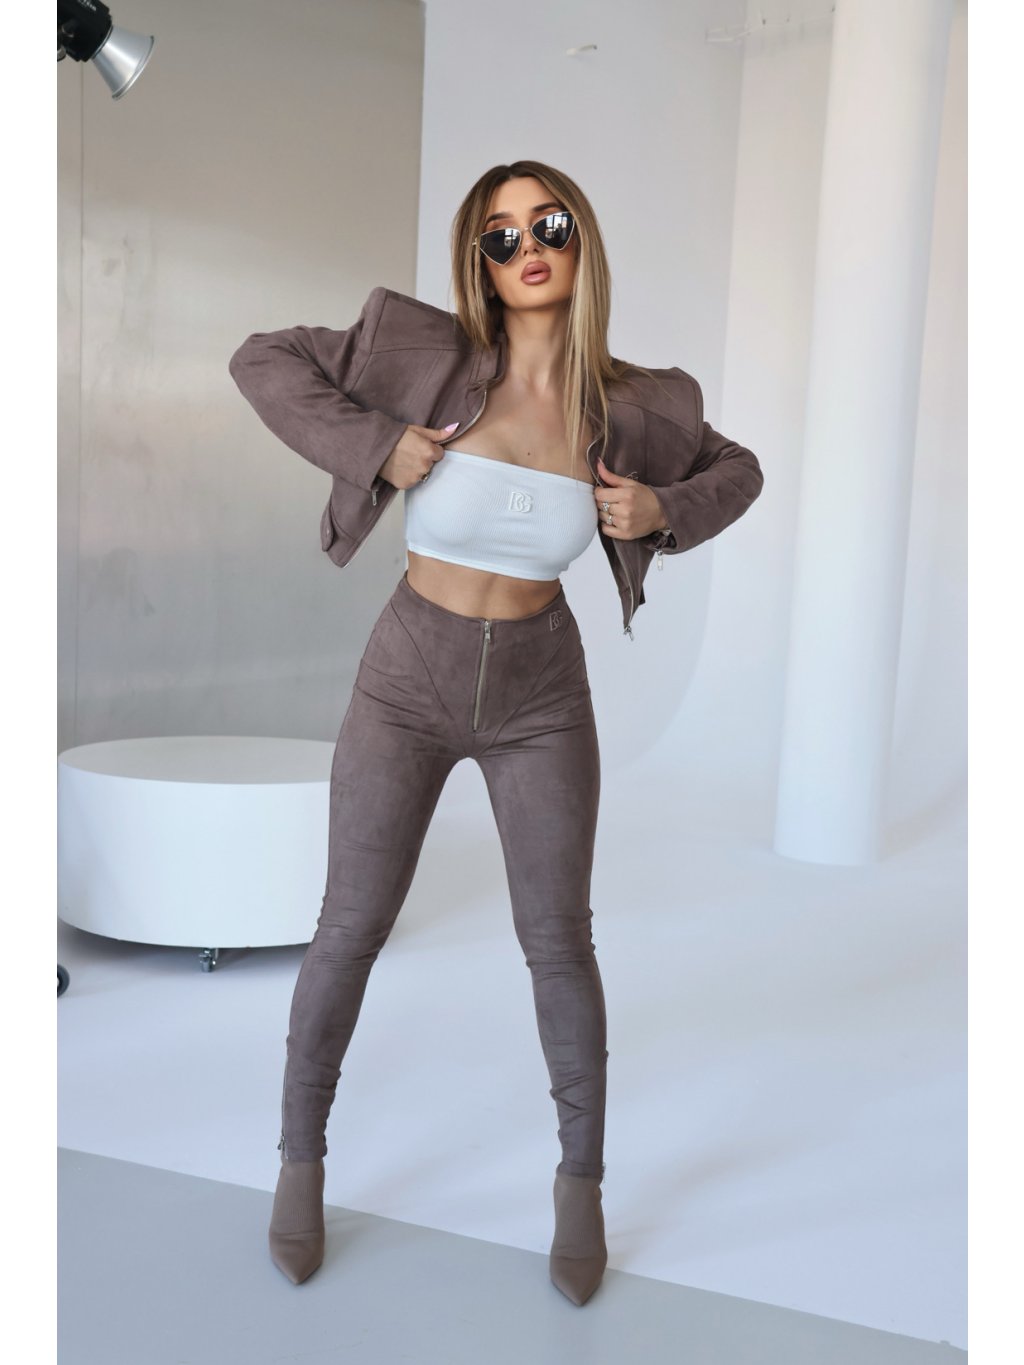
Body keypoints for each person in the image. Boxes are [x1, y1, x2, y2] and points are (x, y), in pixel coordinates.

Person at [228, 159, 763, 1307]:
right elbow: (261, 358)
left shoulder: (638, 405)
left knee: (558, 942)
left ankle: (580, 1189)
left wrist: (664, 509)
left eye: (548, 224)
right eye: (500, 233)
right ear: (478, 258)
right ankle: (300, 1163)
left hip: (540, 694)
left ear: (581, 240)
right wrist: (376, 445)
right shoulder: (424, 355)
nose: (528, 247)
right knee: (350, 927)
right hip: (406, 679)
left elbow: (741, 469)